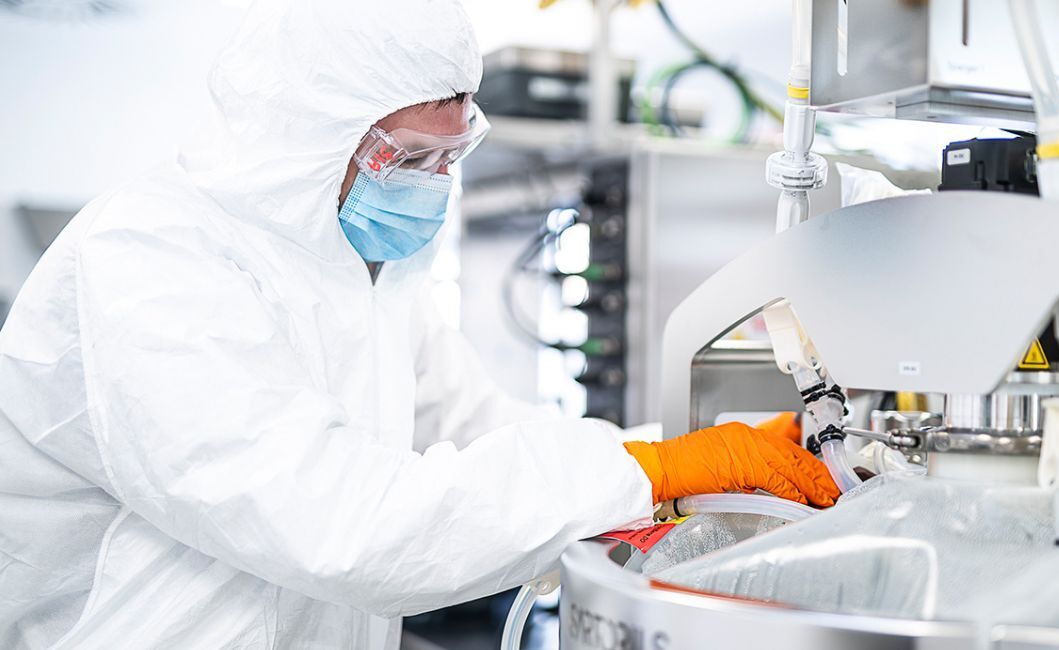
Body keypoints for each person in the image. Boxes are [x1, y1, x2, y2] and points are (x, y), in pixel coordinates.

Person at [0, 0, 837, 647]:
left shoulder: (365, 273)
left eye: (450, 158)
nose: (433, 187)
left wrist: (700, 462)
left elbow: (479, 434)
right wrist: (644, 471)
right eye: (408, 159)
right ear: (307, 135)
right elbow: (344, 522)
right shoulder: (153, 260)